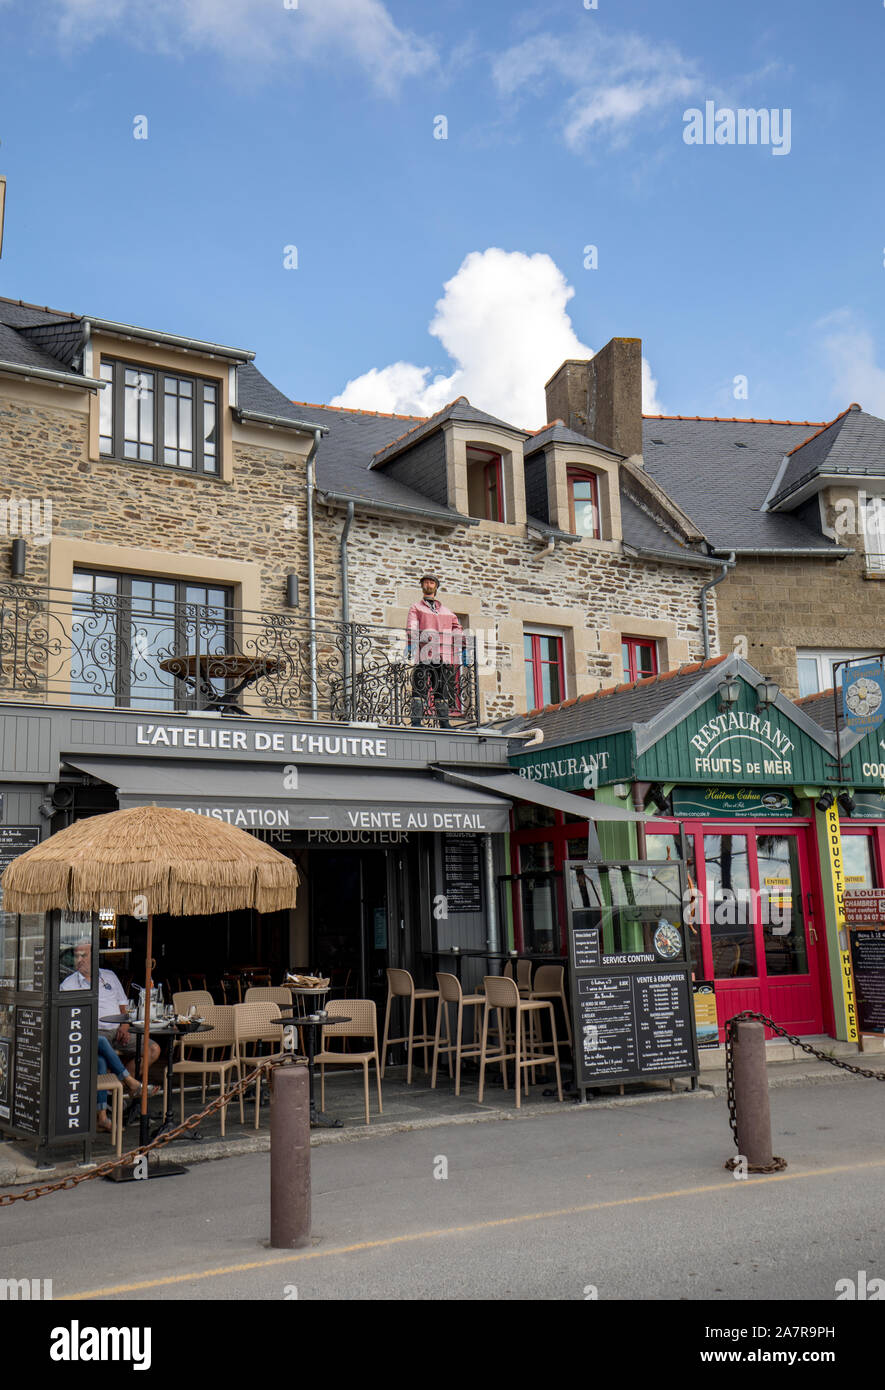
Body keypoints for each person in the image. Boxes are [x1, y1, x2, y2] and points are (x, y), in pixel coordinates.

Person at [61, 941, 160, 1129]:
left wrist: (124, 1024)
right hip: (91, 1032)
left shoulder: (109, 976)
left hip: (118, 1029)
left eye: (84, 956)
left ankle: (118, 1092)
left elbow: (123, 1005)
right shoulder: (69, 984)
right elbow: (67, 1017)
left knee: (152, 1049)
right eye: (76, 956)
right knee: (101, 1059)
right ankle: (129, 1085)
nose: (79, 960)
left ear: (94, 957)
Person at [405, 573, 465, 729]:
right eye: (425, 582)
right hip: (424, 653)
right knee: (419, 687)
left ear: (436, 587)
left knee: (441, 689)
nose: (428, 585)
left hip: (443, 655)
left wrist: (461, 640)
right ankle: (416, 721)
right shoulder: (416, 607)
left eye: (431, 582)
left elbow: (456, 628)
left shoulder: (447, 611)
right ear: (422, 586)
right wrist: (421, 637)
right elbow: (411, 627)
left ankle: (444, 722)